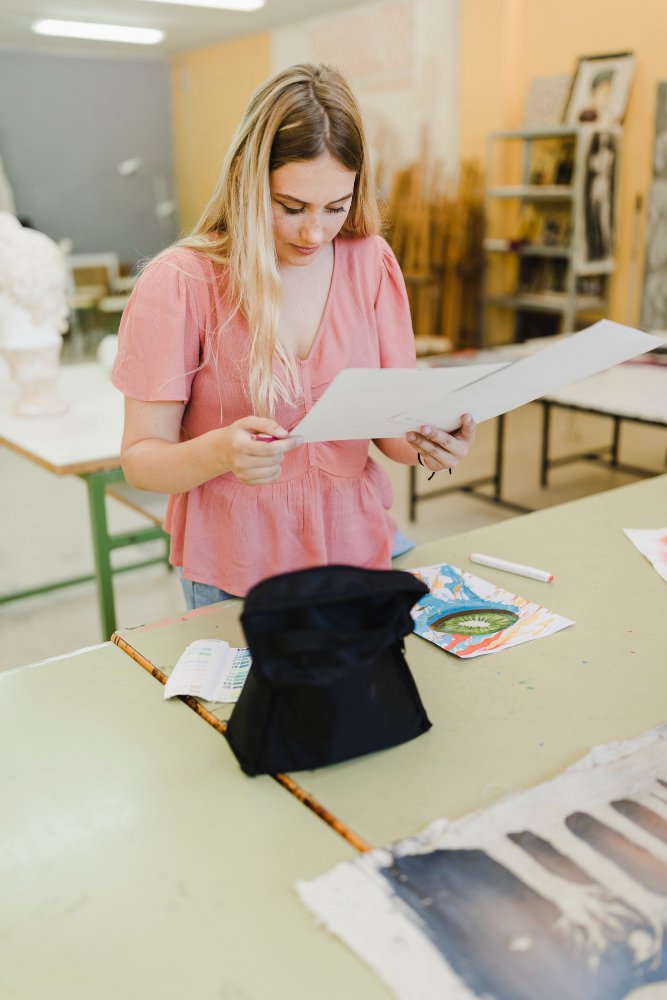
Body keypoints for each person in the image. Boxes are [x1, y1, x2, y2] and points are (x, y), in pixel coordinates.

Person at [112, 63, 476, 610]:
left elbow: (393, 435)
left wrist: (434, 443)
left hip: (358, 549)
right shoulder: (182, 281)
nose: (314, 232)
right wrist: (219, 452)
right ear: (245, 178)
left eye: (337, 207)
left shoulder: (370, 261)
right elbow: (141, 459)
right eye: (290, 207)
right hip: (238, 571)